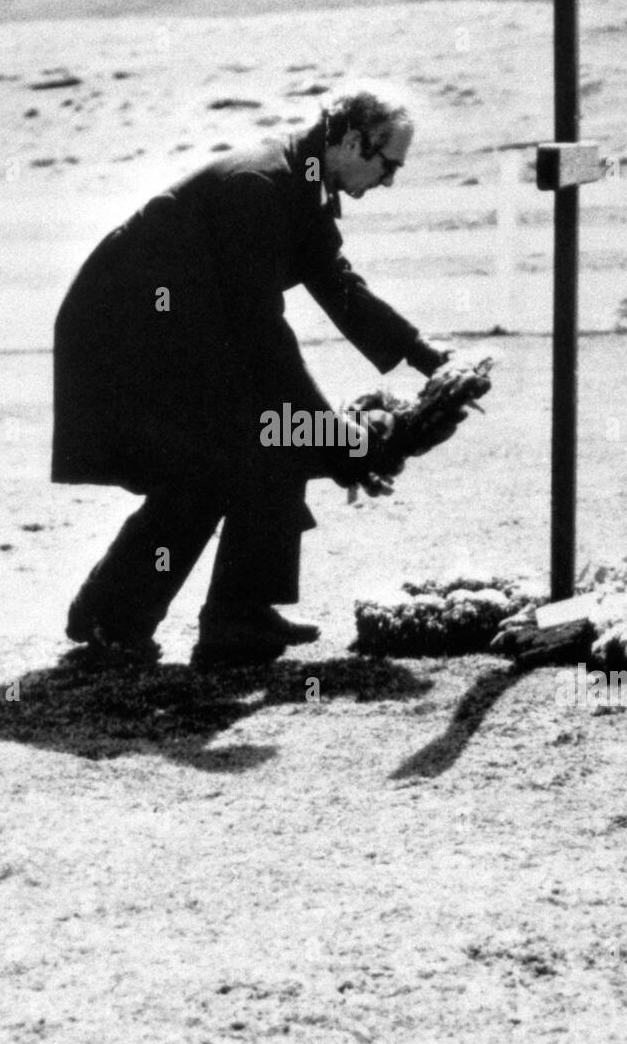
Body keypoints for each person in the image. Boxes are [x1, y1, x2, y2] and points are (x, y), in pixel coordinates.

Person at [52, 86, 451, 668]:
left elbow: (337, 283)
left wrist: (423, 354)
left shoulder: (305, 179)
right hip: (124, 336)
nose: (389, 180)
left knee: (269, 439)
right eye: (387, 164)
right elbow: (262, 339)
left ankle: (232, 619)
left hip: (180, 333)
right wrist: (335, 438)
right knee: (217, 461)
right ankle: (116, 621)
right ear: (348, 138)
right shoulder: (260, 186)